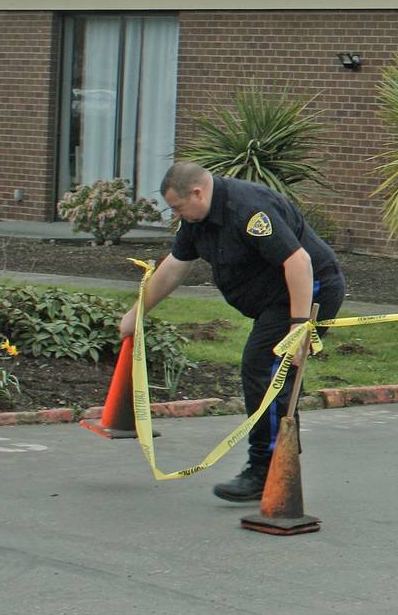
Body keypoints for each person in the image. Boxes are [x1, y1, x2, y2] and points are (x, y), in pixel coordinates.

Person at [120, 162, 345, 502]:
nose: (177, 215)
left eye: (178, 207)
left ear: (197, 192)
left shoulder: (249, 210)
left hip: (307, 291)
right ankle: (278, 462)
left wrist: (300, 328)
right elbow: (172, 269)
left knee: (262, 369)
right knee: (273, 376)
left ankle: (264, 469)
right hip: (275, 298)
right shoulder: (197, 220)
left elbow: (298, 262)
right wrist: (136, 313)